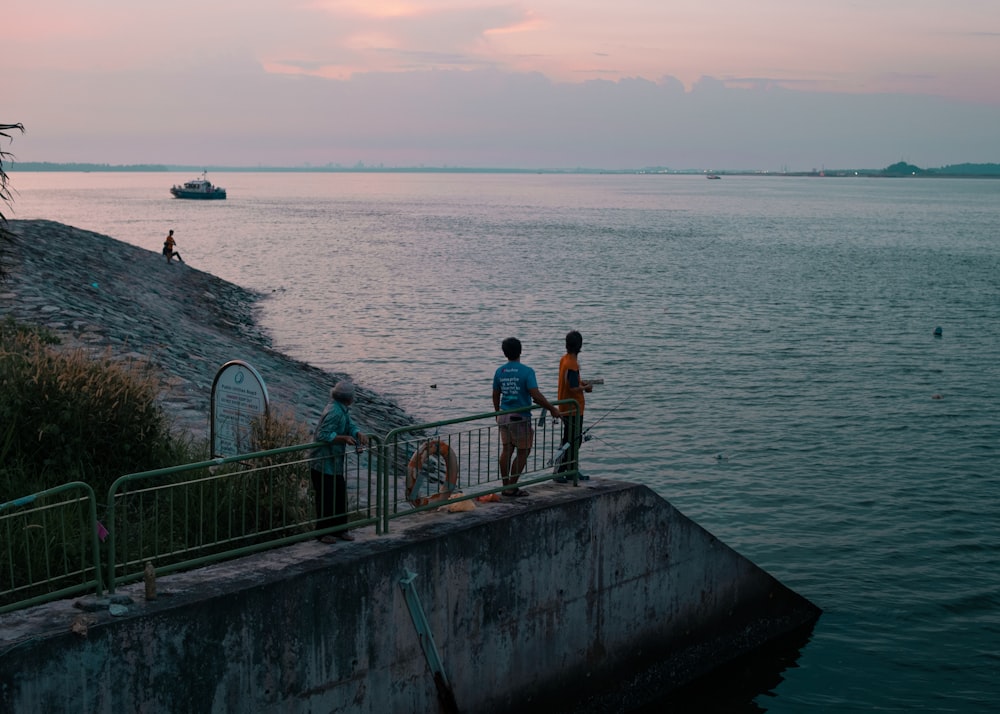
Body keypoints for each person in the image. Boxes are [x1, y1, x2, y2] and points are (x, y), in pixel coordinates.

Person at [492, 337, 561, 497]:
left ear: (504, 353)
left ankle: (505, 486)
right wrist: (552, 408)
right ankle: (511, 487)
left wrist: (497, 412)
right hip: (520, 417)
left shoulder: (499, 371)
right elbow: (535, 395)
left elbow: (495, 394)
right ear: (520, 351)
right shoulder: (527, 371)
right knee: (524, 451)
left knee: (506, 450)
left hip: (503, 415)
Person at [310, 381, 368, 542]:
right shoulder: (334, 412)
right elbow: (322, 434)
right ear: (348, 398)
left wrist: (357, 433)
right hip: (322, 463)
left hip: (334, 463)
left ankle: (340, 530)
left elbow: (350, 425)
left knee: (339, 496)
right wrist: (343, 438)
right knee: (326, 499)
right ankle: (323, 533)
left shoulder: (342, 410)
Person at [554, 330, 593, 482]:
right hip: (573, 409)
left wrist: (582, 384)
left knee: (570, 439)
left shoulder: (565, 359)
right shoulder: (572, 364)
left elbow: (572, 382)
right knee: (573, 441)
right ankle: (563, 471)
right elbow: (573, 388)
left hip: (567, 406)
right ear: (580, 345)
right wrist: (585, 388)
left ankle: (570, 469)